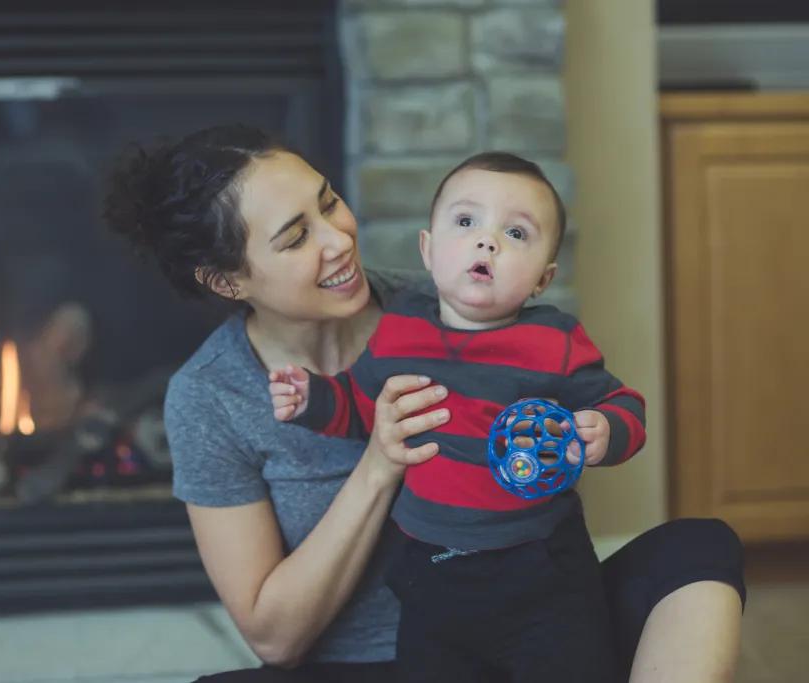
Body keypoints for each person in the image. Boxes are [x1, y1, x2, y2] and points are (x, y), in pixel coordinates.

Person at [103, 124, 746, 683]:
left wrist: (591, 431)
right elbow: (275, 639)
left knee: (697, 548)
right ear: (228, 280)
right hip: (389, 658)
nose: (338, 240)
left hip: (530, 617)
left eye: (330, 203)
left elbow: (567, 410)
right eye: (297, 236)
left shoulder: (445, 302)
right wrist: (381, 462)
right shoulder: (210, 395)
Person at [267, 152, 642, 681]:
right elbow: (363, 405)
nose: (487, 241)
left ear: (543, 278)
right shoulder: (400, 330)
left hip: (540, 565)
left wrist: (609, 429)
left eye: (516, 233)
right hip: (431, 566)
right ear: (429, 249)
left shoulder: (554, 341)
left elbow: (623, 402)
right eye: (466, 222)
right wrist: (313, 400)